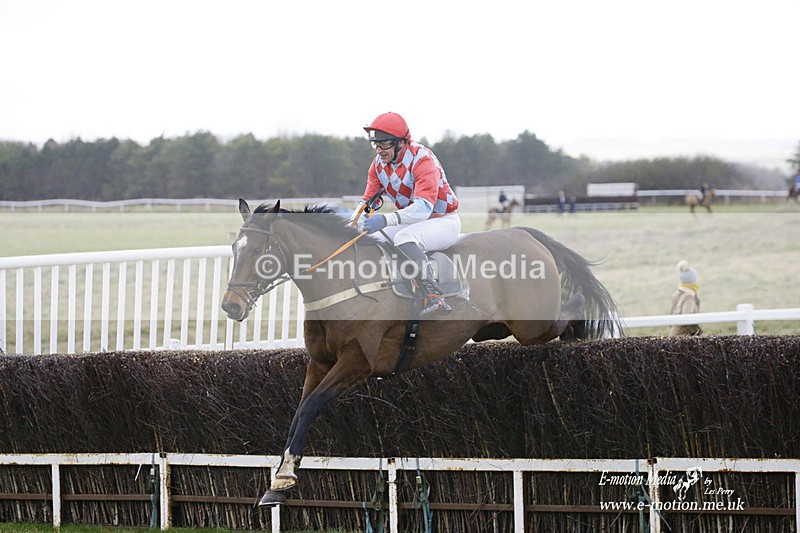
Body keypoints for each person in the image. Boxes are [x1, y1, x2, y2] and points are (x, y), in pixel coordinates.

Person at [350, 112, 461, 316]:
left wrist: (385, 219)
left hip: (443, 220)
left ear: (401, 143)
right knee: (370, 237)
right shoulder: (377, 165)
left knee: (404, 237)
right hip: (414, 221)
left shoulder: (422, 159)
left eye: (384, 144)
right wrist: (353, 221)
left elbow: (423, 208)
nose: (379, 150)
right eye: (376, 144)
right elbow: (367, 200)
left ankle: (434, 295)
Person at [669, 260, 702, 336]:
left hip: (673, 335)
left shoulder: (676, 294)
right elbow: (688, 320)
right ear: (693, 281)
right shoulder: (689, 297)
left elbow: (671, 317)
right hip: (683, 337)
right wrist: (700, 333)